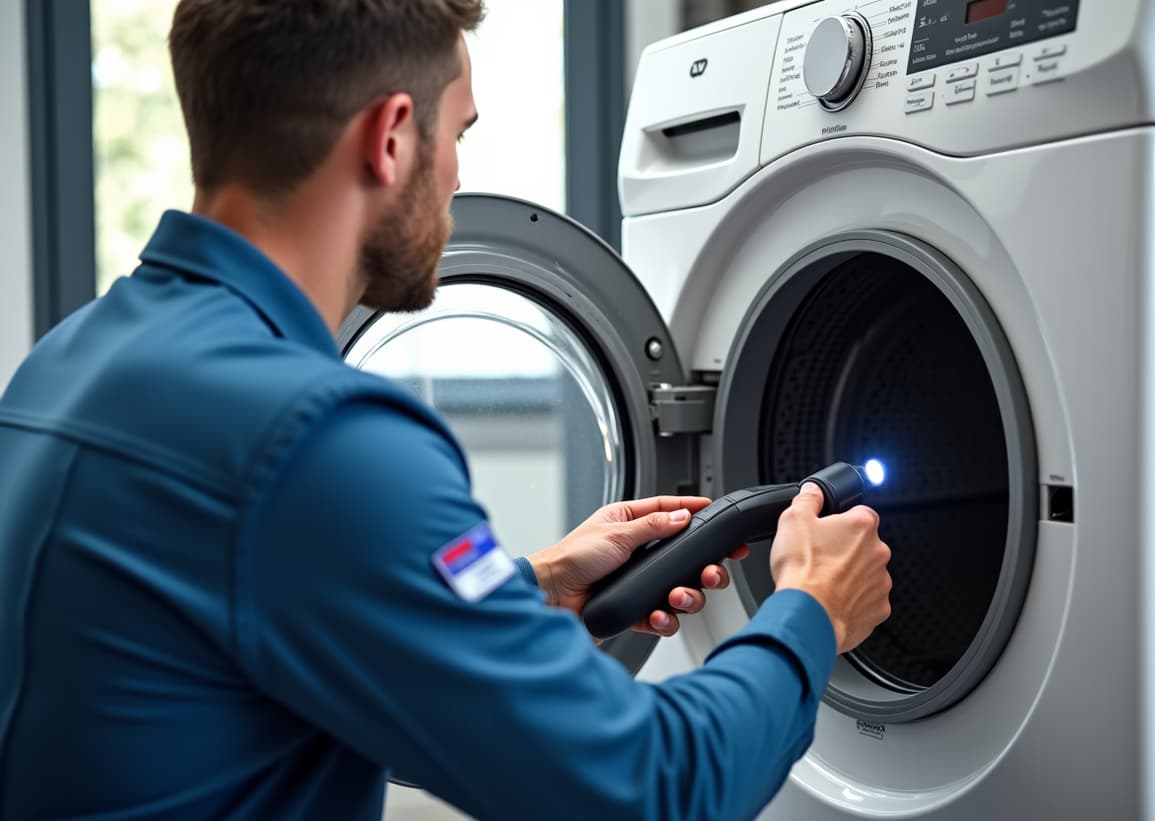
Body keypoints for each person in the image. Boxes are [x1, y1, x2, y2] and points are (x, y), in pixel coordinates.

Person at [0, 1, 892, 819]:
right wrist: (811, 608)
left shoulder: (68, 363)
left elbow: (264, 606)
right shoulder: (315, 437)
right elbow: (652, 787)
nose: (458, 174)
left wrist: (530, 588)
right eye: (458, 132)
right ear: (391, 137)